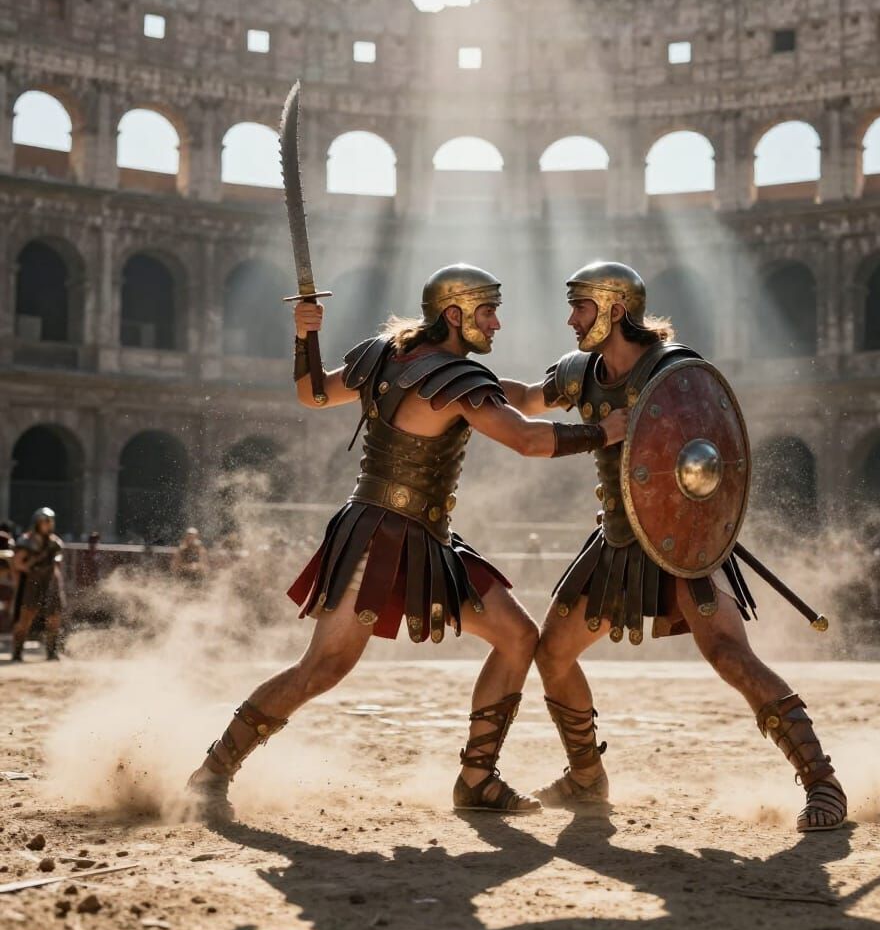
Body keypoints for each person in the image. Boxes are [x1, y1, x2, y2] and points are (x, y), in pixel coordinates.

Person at [185, 263, 627, 821]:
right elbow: (526, 439)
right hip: (381, 537)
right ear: (455, 314)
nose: (497, 324)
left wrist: (305, 339)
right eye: (488, 312)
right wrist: (602, 431)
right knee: (322, 667)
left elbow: (314, 392)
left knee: (517, 636)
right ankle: (212, 772)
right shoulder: (456, 381)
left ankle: (477, 779)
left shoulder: (386, 356)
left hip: (427, 536)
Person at [501, 261, 847, 832]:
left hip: (681, 539)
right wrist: (463, 382)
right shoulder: (579, 374)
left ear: (615, 310)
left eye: (580, 308)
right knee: (553, 653)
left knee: (729, 655)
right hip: (617, 539)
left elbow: (712, 461)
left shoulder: (673, 372)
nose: (571, 320)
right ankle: (586, 777)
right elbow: (525, 400)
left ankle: (822, 781)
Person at [10, 507, 65, 662]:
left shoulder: (54, 542)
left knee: (54, 618)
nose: (48, 524)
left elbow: (58, 562)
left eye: (50, 521)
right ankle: (17, 651)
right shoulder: (27, 540)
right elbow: (17, 562)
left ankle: (52, 652)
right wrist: (31, 566)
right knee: (26, 617)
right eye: (45, 521)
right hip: (33, 582)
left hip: (50, 582)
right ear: (37, 523)